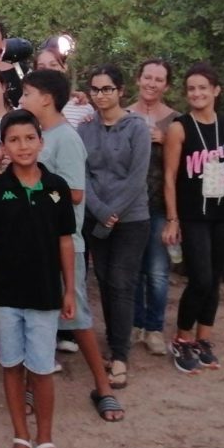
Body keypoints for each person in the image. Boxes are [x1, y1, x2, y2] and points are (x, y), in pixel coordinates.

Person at [0, 109, 75, 448]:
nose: (23, 146)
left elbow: (65, 242)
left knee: (42, 368)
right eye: (13, 140)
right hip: (5, 296)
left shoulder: (57, 188)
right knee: (12, 365)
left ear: (41, 141)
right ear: (3, 146)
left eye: (29, 138)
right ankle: (20, 438)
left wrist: (69, 291)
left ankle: (45, 441)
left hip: (46, 294)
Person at [21, 70, 124, 422]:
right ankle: (33, 388)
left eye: (27, 94)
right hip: (32, 245)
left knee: (77, 317)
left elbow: (75, 192)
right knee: (35, 319)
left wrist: (31, 185)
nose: (22, 100)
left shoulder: (66, 138)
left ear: (47, 98)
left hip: (64, 245)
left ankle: (103, 386)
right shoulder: (38, 135)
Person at [162, 62, 224, 374]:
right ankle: (182, 338)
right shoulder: (179, 127)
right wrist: (173, 219)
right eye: (191, 88)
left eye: (202, 88)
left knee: (214, 279)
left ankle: (204, 338)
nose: (196, 93)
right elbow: (170, 176)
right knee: (200, 277)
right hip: (193, 213)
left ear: (216, 91)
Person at [77, 64, 151, 390]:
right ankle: (113, 342)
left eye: (107, 89)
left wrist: (114, 211)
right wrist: (99, 210)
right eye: (95, 89)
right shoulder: (86, 128)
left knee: (122, 281)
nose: (101, 95)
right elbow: (82, 174)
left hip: (132, 218)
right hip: (97, 217)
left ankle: (120, 355)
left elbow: (137, 177)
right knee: (105, 281)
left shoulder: (138, 128)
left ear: (121, 91)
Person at [126, 59, 178, 355]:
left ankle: (155, 328)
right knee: (132, 269)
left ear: (166, 85)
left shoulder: (175, 121)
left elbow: (184, 168)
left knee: (157, 271)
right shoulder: (125, 116)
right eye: (147, 77)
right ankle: (134, 323)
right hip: (131, 206)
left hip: (160, 205)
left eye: (159, 79)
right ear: (138, 79)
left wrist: (167, 140)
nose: (152, 83)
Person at [33, 43, 93, 129]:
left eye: (53, 65)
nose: (48, 70)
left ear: (64, 67)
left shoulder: (83, 107)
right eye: (41, 67)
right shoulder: (27, 104)